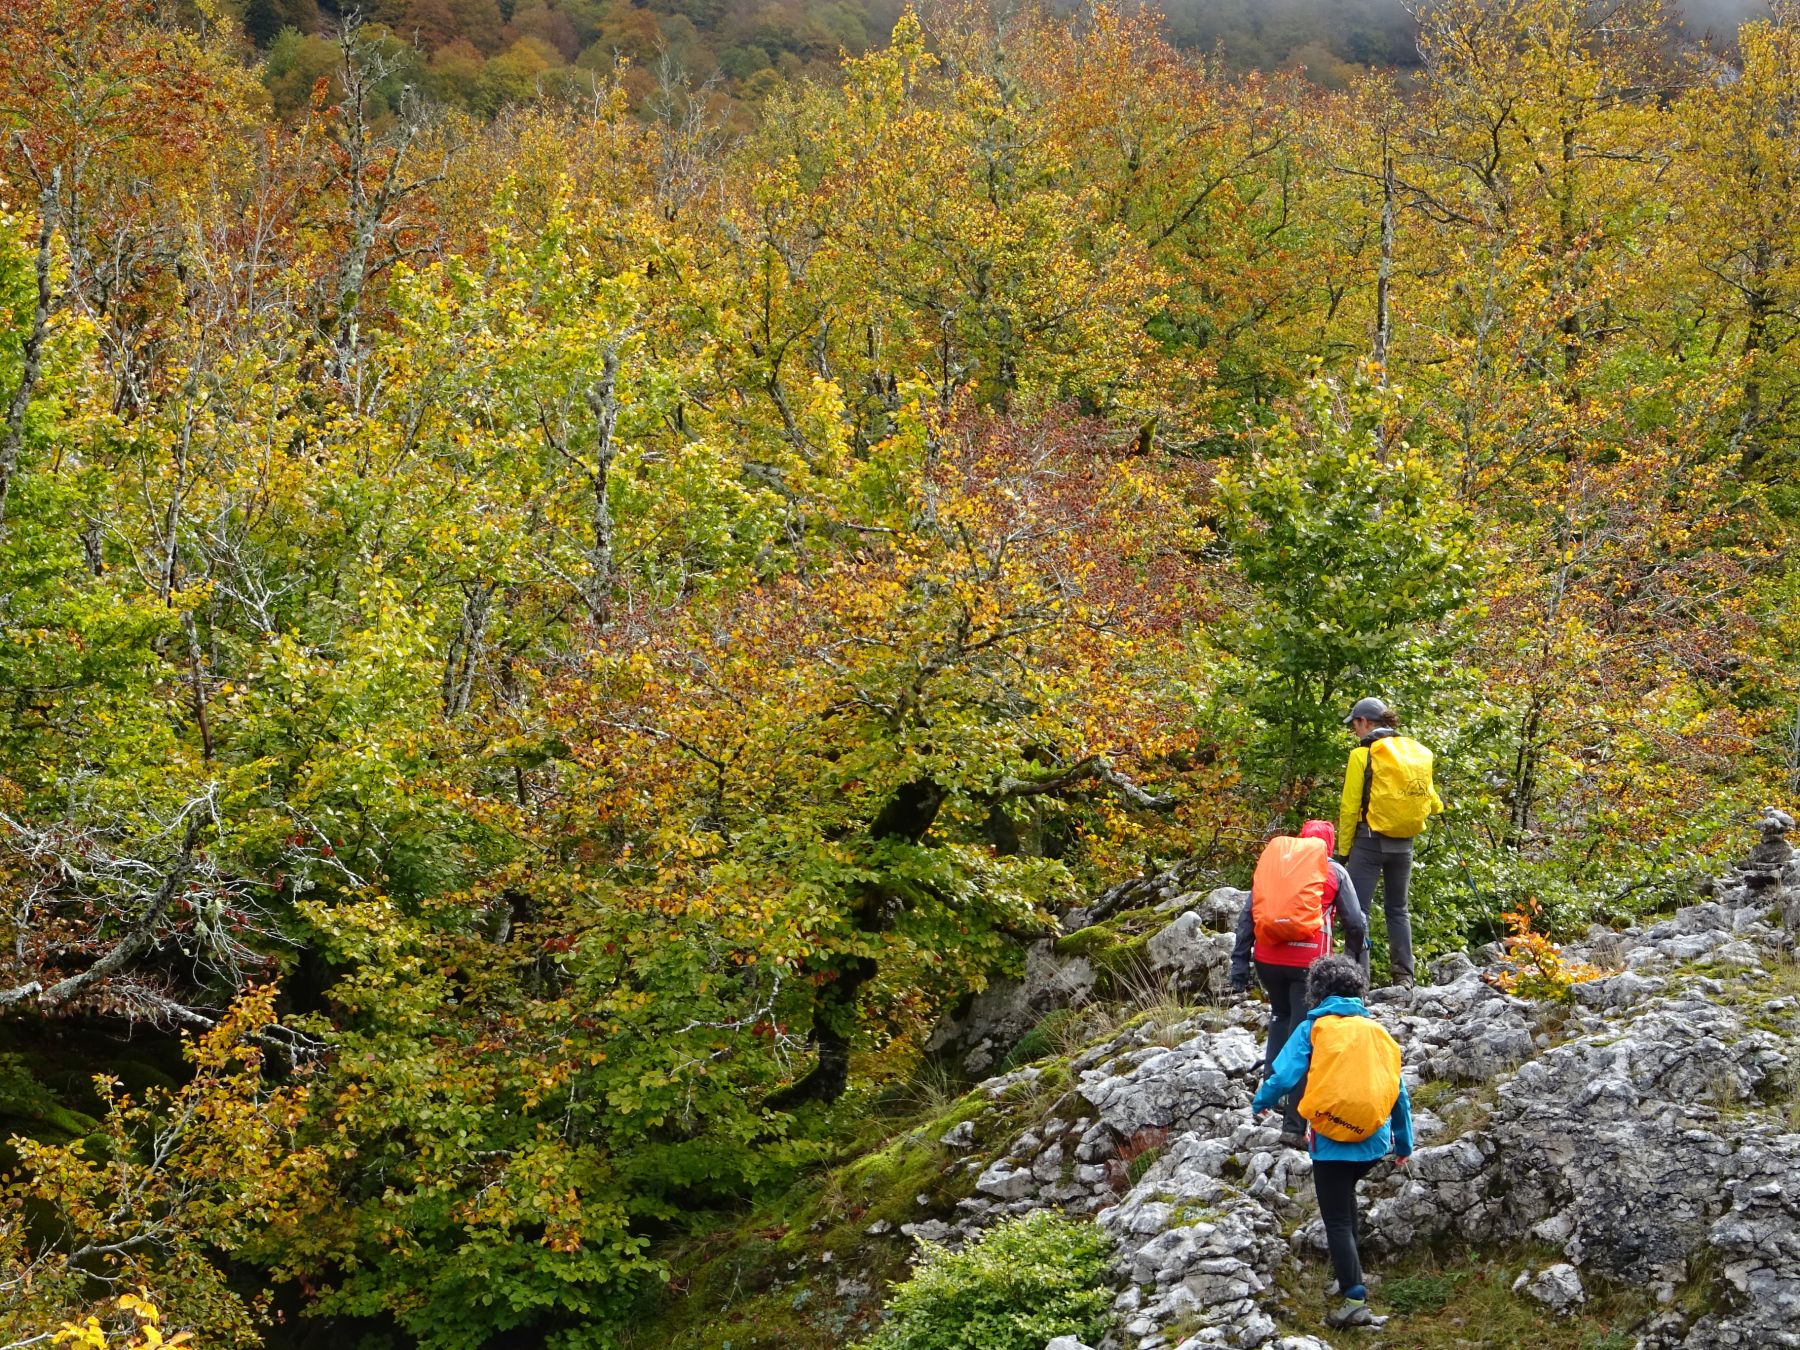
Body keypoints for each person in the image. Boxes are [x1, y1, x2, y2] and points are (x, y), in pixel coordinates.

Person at [1253, 954, 1413, 1330]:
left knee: (1337, 1219)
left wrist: (1261, 1101)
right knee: (1347, 1205)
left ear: (1316, 993)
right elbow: (1399, 1094)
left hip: (1331, 1141)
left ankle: (1355, 1300)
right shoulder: (1379, 1034)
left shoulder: (1314, 1028)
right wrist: (1403, 1143)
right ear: (1359, 992)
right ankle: (1348, 1275)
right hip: (1373, 1144)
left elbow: (1284, 1073)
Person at [1229, 821, 1365, 1149]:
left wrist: (1239, 969)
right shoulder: (1334, 872)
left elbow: (1248, 917)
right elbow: (1356, 923)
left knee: (1280, 1017)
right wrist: (1348, 963)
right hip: (1309, 966)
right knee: (1305, 1037)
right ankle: (1293, 1126)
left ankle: (1270, 1093)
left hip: (1267, 959)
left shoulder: (1277, 867)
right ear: (1329, 846)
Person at [1336, 696, 1442, 988]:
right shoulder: (1413, 753)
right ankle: (1404, 978)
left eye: (1354, 724)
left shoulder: (1362, 756)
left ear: (1365, 722)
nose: (1354, 731)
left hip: (1369, 841)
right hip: (1404, 843)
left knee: (1358, 912)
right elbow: (1433, 802)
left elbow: (1349, 807)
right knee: (1398, 909)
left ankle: (1358, 980)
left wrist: (1344, 851)